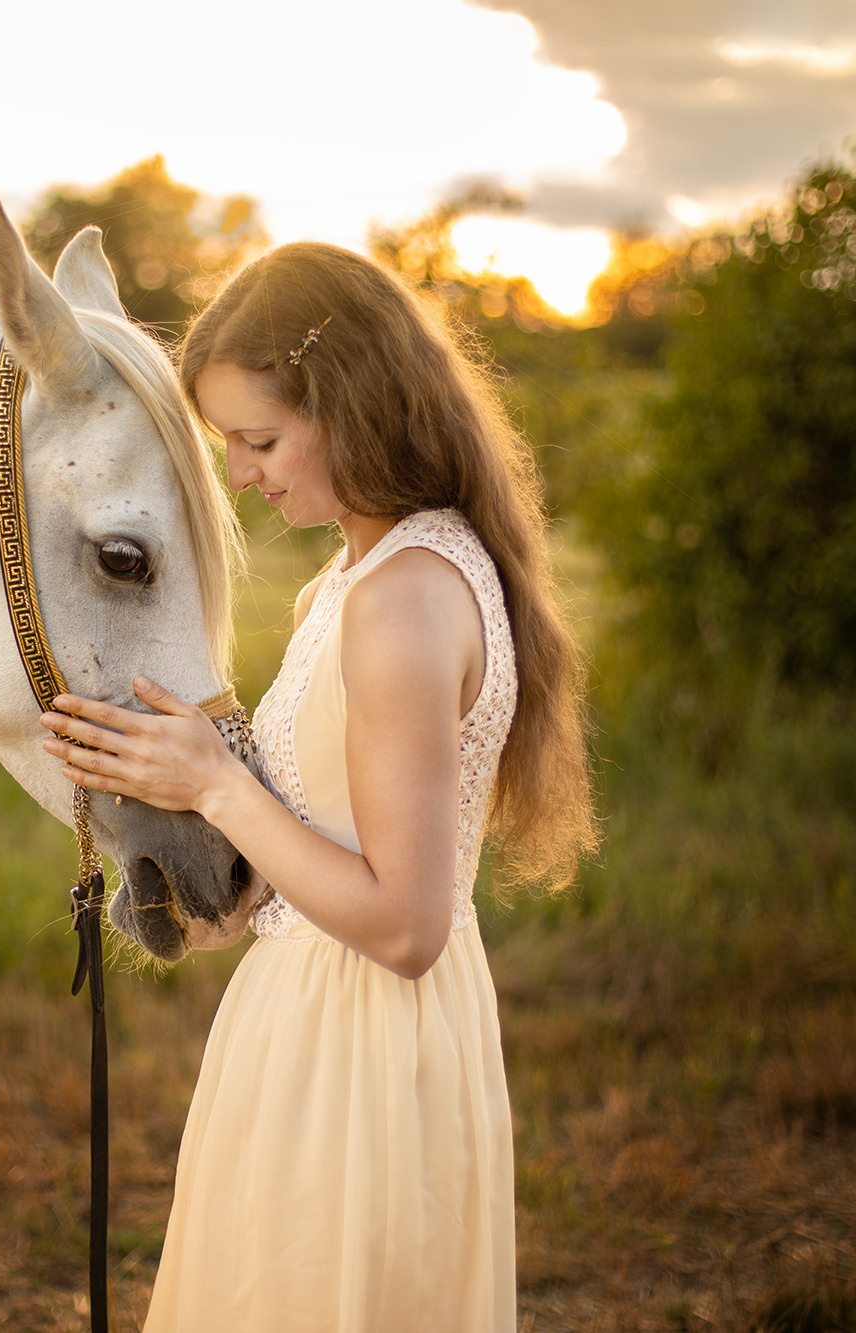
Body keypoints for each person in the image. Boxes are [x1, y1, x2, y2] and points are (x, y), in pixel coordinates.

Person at [38, 242, 595, 1331]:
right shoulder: (349, 585)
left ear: (349, 402)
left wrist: (216, 785)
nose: (240, 473)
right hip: (311, 1023)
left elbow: (405, 925)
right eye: (227, 443)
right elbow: (324, 855)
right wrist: (209, 878)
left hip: (362, 1052)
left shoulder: (402, 601)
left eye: (258, 440)